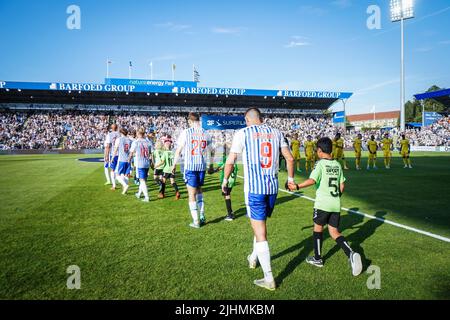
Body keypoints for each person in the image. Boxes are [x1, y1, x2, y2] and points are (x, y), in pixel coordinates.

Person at [222, 108, 295, 291]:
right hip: (272, 189)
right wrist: (291, 179)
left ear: (247, 119)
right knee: (259, 226)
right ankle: (253, 258)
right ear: (261, 118)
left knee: (260, 231)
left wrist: (225, 180)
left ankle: (269, 278)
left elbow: (230, 161)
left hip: (254, 189)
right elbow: (290, 158)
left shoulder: (242, 133)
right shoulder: (277, 132)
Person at [288, 137, 362, 277]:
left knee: (318, 229)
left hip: (322, 203)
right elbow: (342, 185)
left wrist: (297, 186)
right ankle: (351, 254)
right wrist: (335, 197)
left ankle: (318, 259)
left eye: (317, 150)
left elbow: (312, 180)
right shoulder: (337, 164)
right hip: (335, 204)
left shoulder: (320, 163)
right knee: (334, 232)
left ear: (320, 151)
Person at [172, 113, 212, 228]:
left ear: (189, 121)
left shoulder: (186, 132)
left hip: (190, 166)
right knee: (199, 191)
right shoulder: (206, 133)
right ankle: (202, 215)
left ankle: (196, 221)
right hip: (201, 166)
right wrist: (210, 165)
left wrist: (174, 164)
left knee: (191, 194)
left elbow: (178, 150)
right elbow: (210, 151)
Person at [210, 151, 238, 221]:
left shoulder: (227, 158)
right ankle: (230, 212)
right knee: (227, 194)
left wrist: (214, 170)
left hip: (228, 179)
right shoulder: (232, 157)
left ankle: (230, 214)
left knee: (227, 195)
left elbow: (223, 166)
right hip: (232, 179)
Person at [129, 128, 153, 202]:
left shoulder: (136, 142)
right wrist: (152, 162)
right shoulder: (148, 142)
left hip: (140, 163)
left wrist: (129, 160)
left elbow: (131, 152)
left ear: (138, 134)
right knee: (143, 180)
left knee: (142, 180)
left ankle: (147, 197)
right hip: (146, 163)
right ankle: (139, 194)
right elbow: (151, 153)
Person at [113, 128, 132, 195]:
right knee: (126, 175)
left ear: (121, 133)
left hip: (122, 159)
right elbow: (131, 151)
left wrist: (112, 157)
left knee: (117, 175)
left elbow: (115, 149)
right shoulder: (130, 140)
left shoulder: (119, 139)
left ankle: (125, 185)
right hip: (128, 159)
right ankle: (125, 191)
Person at [104, 124, 120, 190]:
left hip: (113, 154)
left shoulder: (109, 135)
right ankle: (122, 182)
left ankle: (114, 185)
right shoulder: (120, 134)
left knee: (112, 170)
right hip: (121, 154)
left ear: (111, 128)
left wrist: (106, 156)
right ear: (117, 128)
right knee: (119, 170)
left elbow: (107, 146)